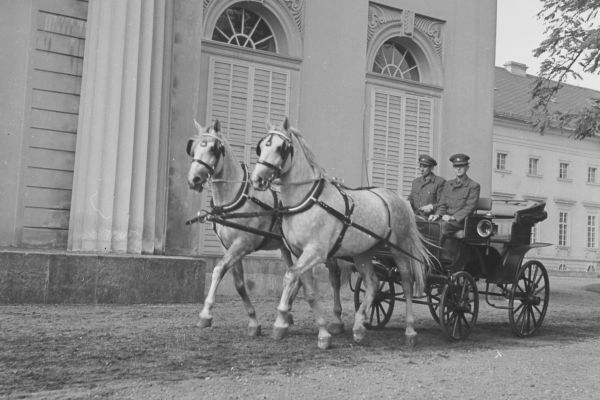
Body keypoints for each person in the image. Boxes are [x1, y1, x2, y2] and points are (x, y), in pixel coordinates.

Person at [429, 153, 480, 236]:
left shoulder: (473, 186)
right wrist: (437, 215)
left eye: (462, 166)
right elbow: (442, 204)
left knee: (441, 227)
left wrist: (452, 217)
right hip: (446, 219)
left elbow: (469, 208)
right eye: (456, 166)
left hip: (461, 221)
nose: (458, 169)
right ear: (453, 168)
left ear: (467, 168)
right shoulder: (448, 184)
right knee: (429, 224)